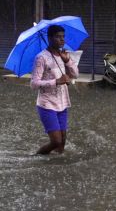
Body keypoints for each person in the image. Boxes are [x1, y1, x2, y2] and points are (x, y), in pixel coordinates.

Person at [30, 25, 79, 154]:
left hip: (62, 103)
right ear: (50, 38)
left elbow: (75, 74)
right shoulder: (41, 58)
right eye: (58, 37)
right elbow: (34, 84)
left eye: (63, 37)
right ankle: (36, 156)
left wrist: (67, 61)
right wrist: (56, 82)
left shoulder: (64, 55)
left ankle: (57, 166)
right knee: (56, 141)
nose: (62, 40)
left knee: (62, 143)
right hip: (47, 104)